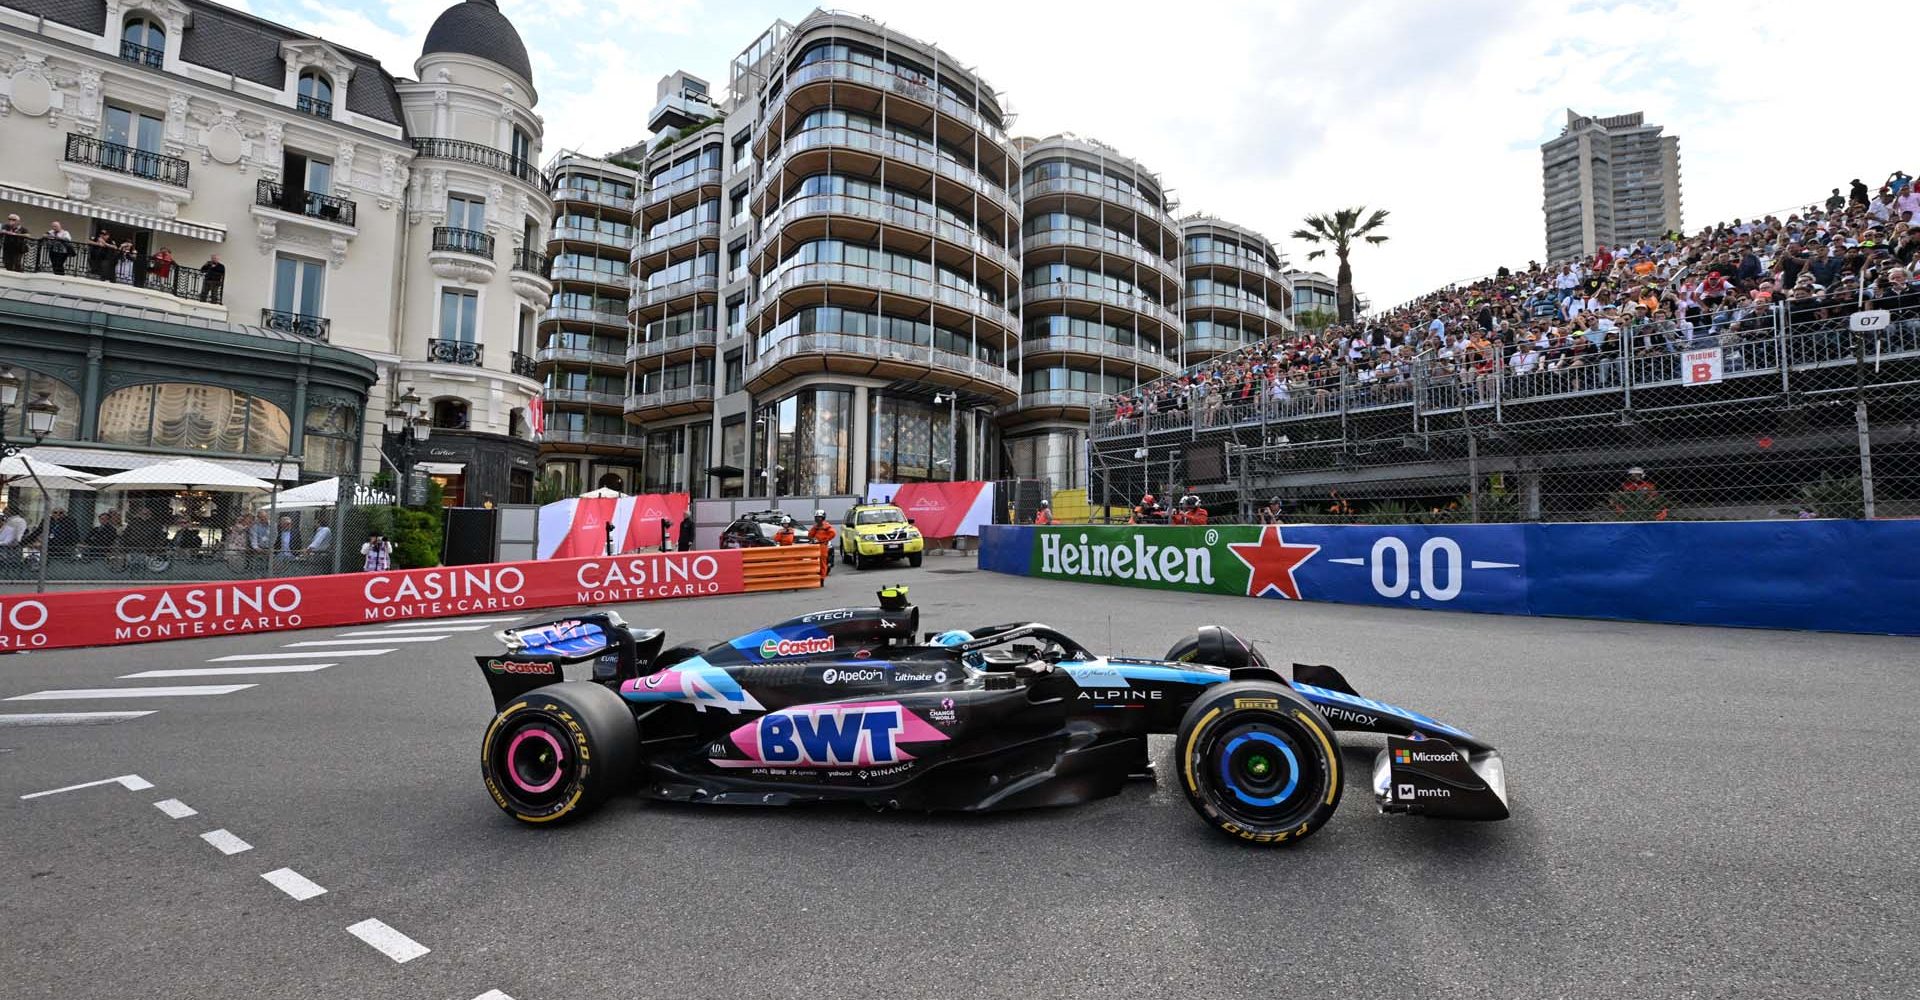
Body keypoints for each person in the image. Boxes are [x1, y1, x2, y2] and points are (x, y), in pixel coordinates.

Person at [806, 509, 836, 580]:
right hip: (815, 546)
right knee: (813, 561)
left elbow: (833, 533)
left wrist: (825, 539)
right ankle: (814, 575)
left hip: (823, 545)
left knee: (823, 562)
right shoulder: (815, 527)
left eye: (819, 517)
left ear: (823, 517)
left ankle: (822, 577)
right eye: (816, 517)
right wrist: (812, 539)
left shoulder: (826, 526)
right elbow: (810, 535)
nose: (817, 519)